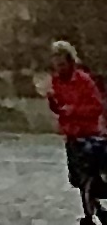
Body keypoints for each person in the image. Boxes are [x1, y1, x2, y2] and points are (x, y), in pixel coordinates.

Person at [45, 40, 105, 224]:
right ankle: (97, 212)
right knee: (78, 179)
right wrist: (52, 101)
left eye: (62, 64)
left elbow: (96, 106)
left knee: (89, 178)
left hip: (88, 135)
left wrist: (74, 110)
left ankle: (91, 215)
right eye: (56, 64)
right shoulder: (56, 81)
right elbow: (58, 109)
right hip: (71, 135)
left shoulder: (83, 80)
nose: (59, 68)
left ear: (70, 61)